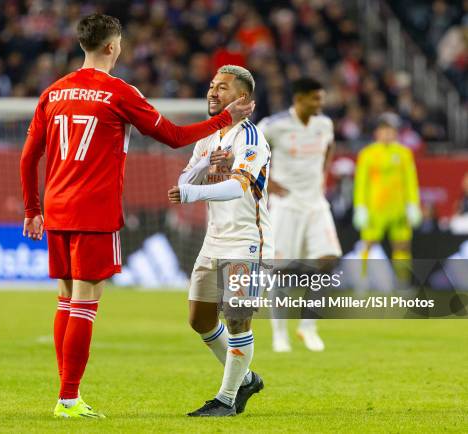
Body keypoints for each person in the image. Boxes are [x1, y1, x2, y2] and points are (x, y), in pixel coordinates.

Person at [19, 14, 254, 419]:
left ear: (83, 45)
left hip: (56, 208)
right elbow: (174, 137)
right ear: (112, 47)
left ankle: (65, 395)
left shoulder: (53, 92)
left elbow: (28, 157)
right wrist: (223, 121)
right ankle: (69, 399)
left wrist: (32, 209)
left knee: (65, 300)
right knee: (85, 303)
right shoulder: (118, 93)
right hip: (93, 210)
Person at [168, 65, 269, 417]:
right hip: (214, 239)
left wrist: (193, 193)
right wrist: (202, 167)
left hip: (245, 239)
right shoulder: (208, 137)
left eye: (222, 88)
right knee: (199, 320)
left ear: (242, 99)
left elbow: (238, 186)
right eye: (212, 86)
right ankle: (247, 378)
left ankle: (226, 400)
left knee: (238, 317)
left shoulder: (251, 137)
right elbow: (186, 174)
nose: (213, 92)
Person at [256, 78, 342, 353]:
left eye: (321, 98)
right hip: (286, 206)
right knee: (281, 270)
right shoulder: (273, 125)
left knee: (327, 260)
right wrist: (268, 184)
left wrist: (322, 176)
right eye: (316, 98)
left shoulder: (324, 125)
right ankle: (279, 334)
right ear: (300, 98)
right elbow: (248, 154)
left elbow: (329, 147)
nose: (320, 104)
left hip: (316, 205)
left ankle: (308, 327)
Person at [353, 113, 421, 285]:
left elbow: (410, 181)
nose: (387, 134)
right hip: (374, 209)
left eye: (391, 130)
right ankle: (363, 282)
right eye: (384, 130)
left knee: (402, 246)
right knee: (368, 245)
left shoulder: (404, 154)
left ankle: (402, 282)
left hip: (398, 209)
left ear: (396, 132)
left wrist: (413, 205)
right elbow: (361, 183)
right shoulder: (367, 154)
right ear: (377, 132)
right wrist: (360, 207)